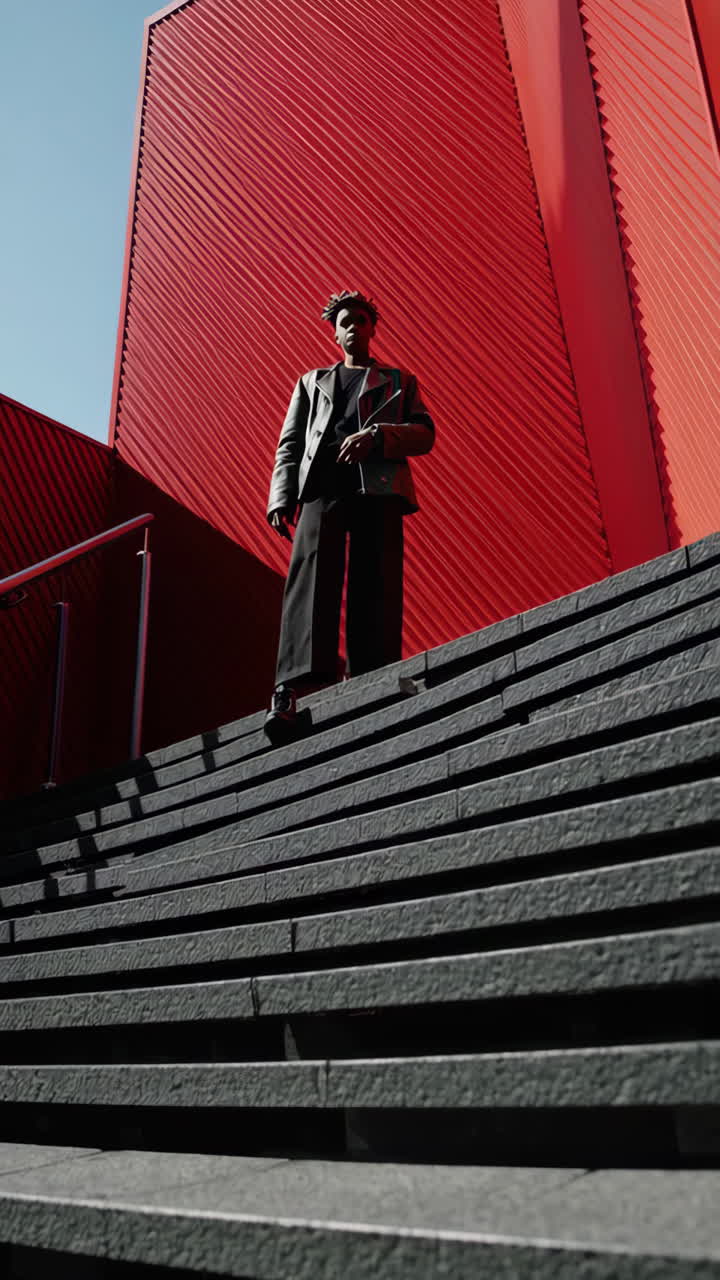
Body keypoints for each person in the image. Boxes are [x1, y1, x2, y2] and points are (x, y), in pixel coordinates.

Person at [264, 290, 435, 742]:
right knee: (309, 583)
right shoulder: (311, 381)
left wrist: (377, 436)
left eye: (361, 319)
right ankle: (292, 689)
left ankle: (372, 681)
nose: (353, 326)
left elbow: (424, 434)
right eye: (345, 321)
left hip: (376, 491)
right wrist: (281, 495)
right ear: (335, 332)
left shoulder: (399, 381)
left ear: (373, 327)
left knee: (375, 582)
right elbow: (291, 443)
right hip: (322, 489)